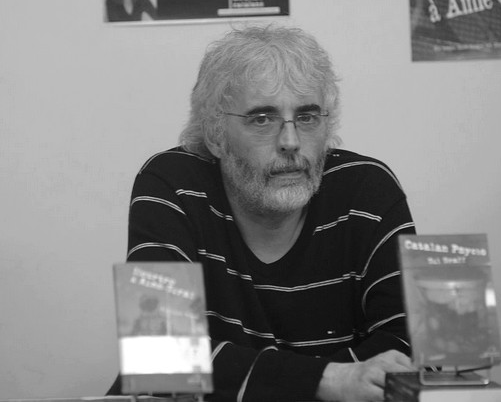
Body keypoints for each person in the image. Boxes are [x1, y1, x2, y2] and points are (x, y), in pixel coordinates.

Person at [108, 25, 417, 401]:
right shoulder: (172, 184)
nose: (290, 142)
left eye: (307, 117)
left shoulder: (368, 191)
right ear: (216, 135)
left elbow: (410, 349)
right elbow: (159, 355)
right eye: (262, 119)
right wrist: (329, 381)